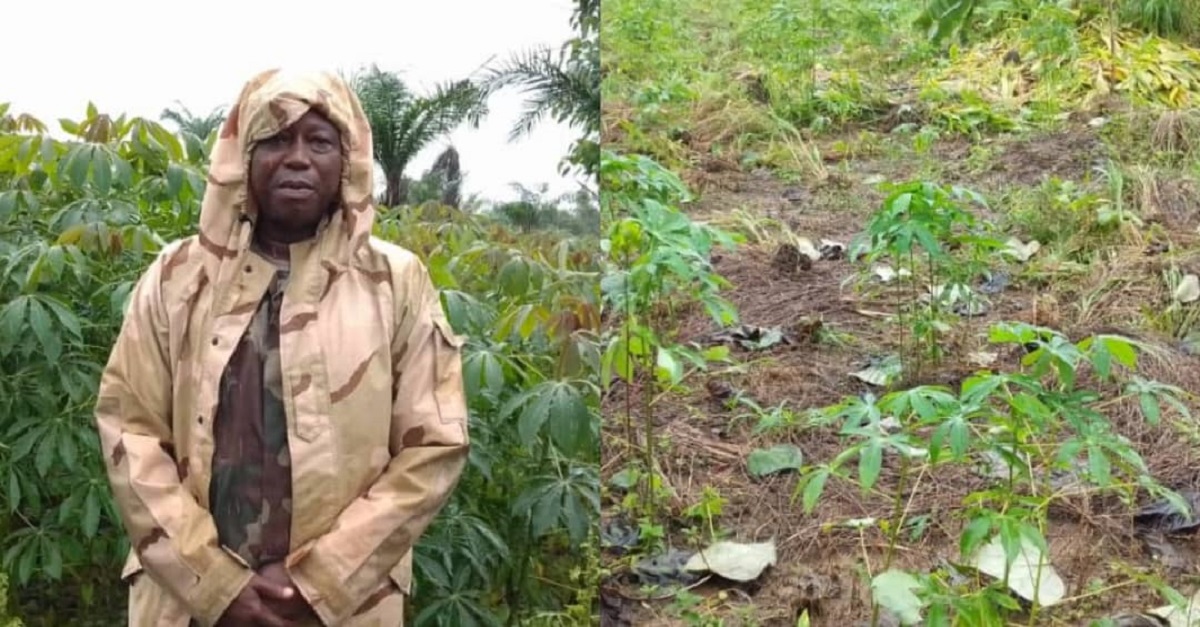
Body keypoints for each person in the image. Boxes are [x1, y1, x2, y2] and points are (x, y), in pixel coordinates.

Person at [93, 68, 471, 626]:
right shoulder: (177, 277)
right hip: (188, 605)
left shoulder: (396, 282)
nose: (297, 157)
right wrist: (213, 584)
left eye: (319, 141)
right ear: (241, 158)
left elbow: (434, 444)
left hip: (343, 608)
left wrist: (320, 583)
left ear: (347, 160)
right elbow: (131, 428)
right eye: (274, 139)